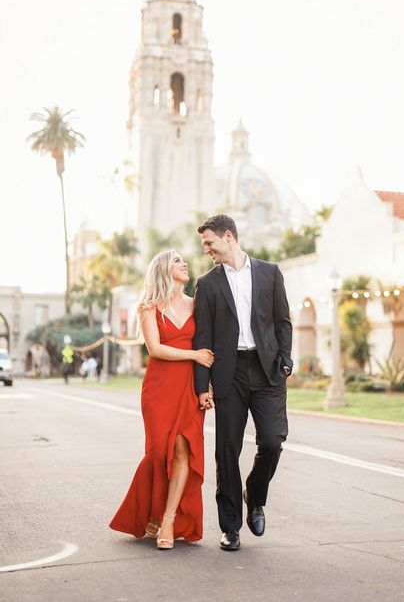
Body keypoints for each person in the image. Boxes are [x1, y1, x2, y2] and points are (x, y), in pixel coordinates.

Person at [194, 214, 292, 552]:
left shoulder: (269, 273)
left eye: (210, 242)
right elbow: (202, 337)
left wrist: (286, 360)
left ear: (228, 236)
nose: (206, 249)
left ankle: (256, 495)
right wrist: (201, 385)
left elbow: (283, 321)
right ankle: (230, 526)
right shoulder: (207, 283)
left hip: (267, 371)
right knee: (227, 450)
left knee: (273, 441)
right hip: (229, 374)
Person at [109, 250, 214, 550]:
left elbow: (207, 345)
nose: (184, 264)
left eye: (184, 260)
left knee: (183, 450)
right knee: (158, 454)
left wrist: (207, 386)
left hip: (188, 388)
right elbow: (155, 349)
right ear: (163, 269)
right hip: (159, 388)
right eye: (177, 261)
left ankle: (168, 518)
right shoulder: (148, 306)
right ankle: (150, 511)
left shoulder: (197, 304)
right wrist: (194, 354)